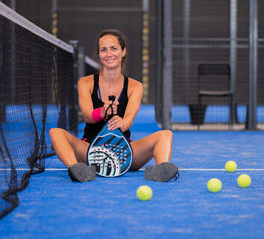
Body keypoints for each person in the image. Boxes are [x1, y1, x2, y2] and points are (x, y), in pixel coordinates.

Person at [49, 29, 179, 183]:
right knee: (55, 132)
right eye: (103, 50)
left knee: (165, 134)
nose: (109, 54)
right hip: (90, 152)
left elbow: (130, 117)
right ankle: (78, 170)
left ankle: (161, 170)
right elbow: (86, 115)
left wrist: (123, 123)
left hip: (124, 153)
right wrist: (102, 112)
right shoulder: (85, 83)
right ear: (99, 54)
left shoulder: (134, 86)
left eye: (114, 48)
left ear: (123, 51)